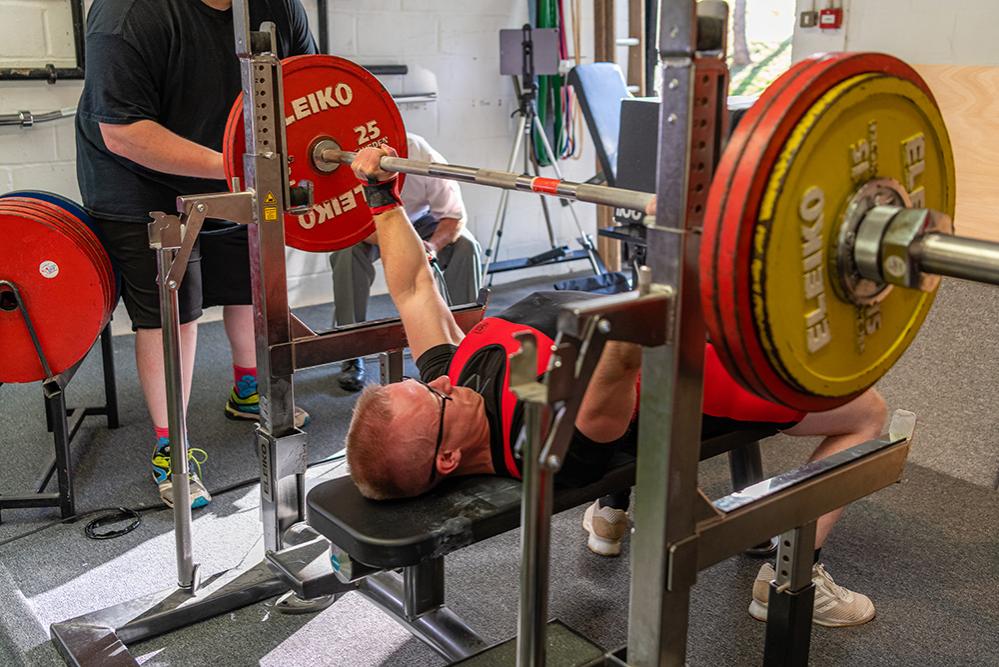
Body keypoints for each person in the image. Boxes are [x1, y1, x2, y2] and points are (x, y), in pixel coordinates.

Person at [344, 144, 887, 627]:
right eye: (436, 396)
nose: (440, 380)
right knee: (868, 413)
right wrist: (675, 242)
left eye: (425, 383)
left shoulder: (457, 385)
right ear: (448, 458)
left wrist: (380, 199)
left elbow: (415, 289)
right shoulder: (545, 437)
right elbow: (628, 345)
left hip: (640, 345)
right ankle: (790, 580)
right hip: (709, 371)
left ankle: (609, 517)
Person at [75, 0, 315, 509]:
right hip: (137, 178)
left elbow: (304, 86)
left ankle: (249, 388)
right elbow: (122, 130)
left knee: (250, 275)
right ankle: (171, 446)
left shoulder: (278, 5)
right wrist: (238, 167)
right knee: (175, 311)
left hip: (232, 163)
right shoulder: (129, 13)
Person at [330, 133, 482, 392]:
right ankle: (351, 352)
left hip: (422, 222)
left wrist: (431, 246)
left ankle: (469, 344)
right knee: (346, 254)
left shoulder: (422, 155)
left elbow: (453, 217)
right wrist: (398, 242)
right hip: (369, 225)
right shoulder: (348, 158)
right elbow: (346, 222)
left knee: (466, 247)